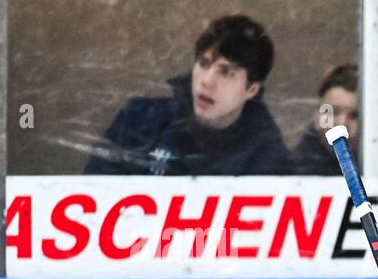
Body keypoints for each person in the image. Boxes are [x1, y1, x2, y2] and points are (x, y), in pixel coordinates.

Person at [85, 14, 292, 176]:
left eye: (226, 72)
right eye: (204, 64)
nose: (207, 81)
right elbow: (93, 192)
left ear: (251, 89)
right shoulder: (139, 119)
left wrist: (326, 134)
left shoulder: (265, 155)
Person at [292, 63, 360, 175]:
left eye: (355, 115)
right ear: (316, 114)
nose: (342, 124)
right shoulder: (291, 175)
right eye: (333, 112)